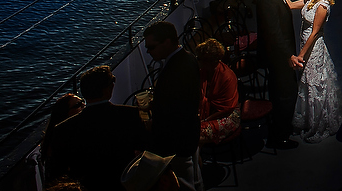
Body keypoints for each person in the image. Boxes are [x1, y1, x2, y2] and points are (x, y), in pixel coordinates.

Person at [46, 66, 147, 191]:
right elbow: (146, 149)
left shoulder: (62, 129)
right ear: (107, 89)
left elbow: (58, 172)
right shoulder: (129, 115)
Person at [287, 0, 342, 143]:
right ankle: (306, 119)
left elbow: (315, 33)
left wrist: (300, 55)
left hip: (313, 49)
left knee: (314, 83)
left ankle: (317, 123)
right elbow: (290, 5)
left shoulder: (322, 5)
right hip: (305, 44)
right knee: (307, 82)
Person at [144, 21, 202, 191]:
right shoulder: (187, 59)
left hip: (178, 141)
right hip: (189, 134)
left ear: (167, 42)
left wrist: (153, 124)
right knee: (195, 177)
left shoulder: (177, 68)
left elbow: (178, 110)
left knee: (184, 182)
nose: (148, 52)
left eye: (152, 47)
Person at [255, 0, 301, 149]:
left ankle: (283, 129)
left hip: (282, 53)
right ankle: (279, 137)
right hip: (278, 57)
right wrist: (289, 55)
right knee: (284, 95)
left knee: (286, 93)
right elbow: (273, 33)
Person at [30, 93, 85, 191]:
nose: (83, 105)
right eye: (78, 105)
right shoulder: (59, 139)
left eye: (82, 102)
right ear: (66, 113)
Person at [194, 39, 240, 146]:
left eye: (199, 59)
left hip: (227, 116)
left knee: (193, 135)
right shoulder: (203, 72)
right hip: (210, 113)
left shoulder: (227, 76)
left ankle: (195, 161)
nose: (197, 61)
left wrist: (205, 120)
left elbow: (227, 108)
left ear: (211, 61)